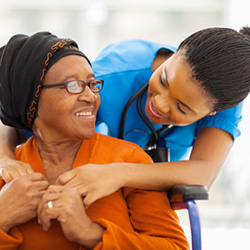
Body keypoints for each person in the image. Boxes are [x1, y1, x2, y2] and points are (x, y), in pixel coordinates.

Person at [1, 27, 250, 207]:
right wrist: (4, 158)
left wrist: (116, 173)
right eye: (163, 80)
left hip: (137, 196)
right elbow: (18, 116)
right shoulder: (112, 77)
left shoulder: (222, 94)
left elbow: (202, 173)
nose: (159, 104)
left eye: (183, 108)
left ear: (213, 111)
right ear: (174, 54)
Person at [0, 32, 189, 249]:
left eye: (92, 84)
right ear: (31, 98)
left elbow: (175, 246)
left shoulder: (129, 159)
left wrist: (89, 233)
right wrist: (3, 216)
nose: (91, 96)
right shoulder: (6, 173)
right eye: (72, 85)